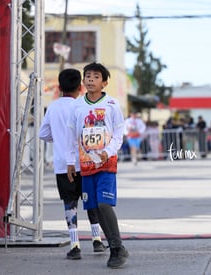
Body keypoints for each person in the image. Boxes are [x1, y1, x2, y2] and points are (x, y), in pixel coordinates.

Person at [39, 68, 106, 260]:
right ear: (81, 86)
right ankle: (96, 239)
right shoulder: (83, 106)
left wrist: (59, 139)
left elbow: (43, 134)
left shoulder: (53, 107)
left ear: (60, 87)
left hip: (62, 164)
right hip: (86, 162)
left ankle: (75, 244)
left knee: (70, 204)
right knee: (90, 201)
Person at [66, 62, 129, 269]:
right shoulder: (77, 105)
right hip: (86, 165)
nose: (90, 79)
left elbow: (119, 133)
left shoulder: (112, 104)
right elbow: (72, 135)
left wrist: (107, 152)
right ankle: (115, 247)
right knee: (94, 208)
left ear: (104, 82)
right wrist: (70, 162)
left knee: (104, 205)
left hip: (107, 163)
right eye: (88, 76)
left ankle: (117, 247)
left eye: (95, 76)